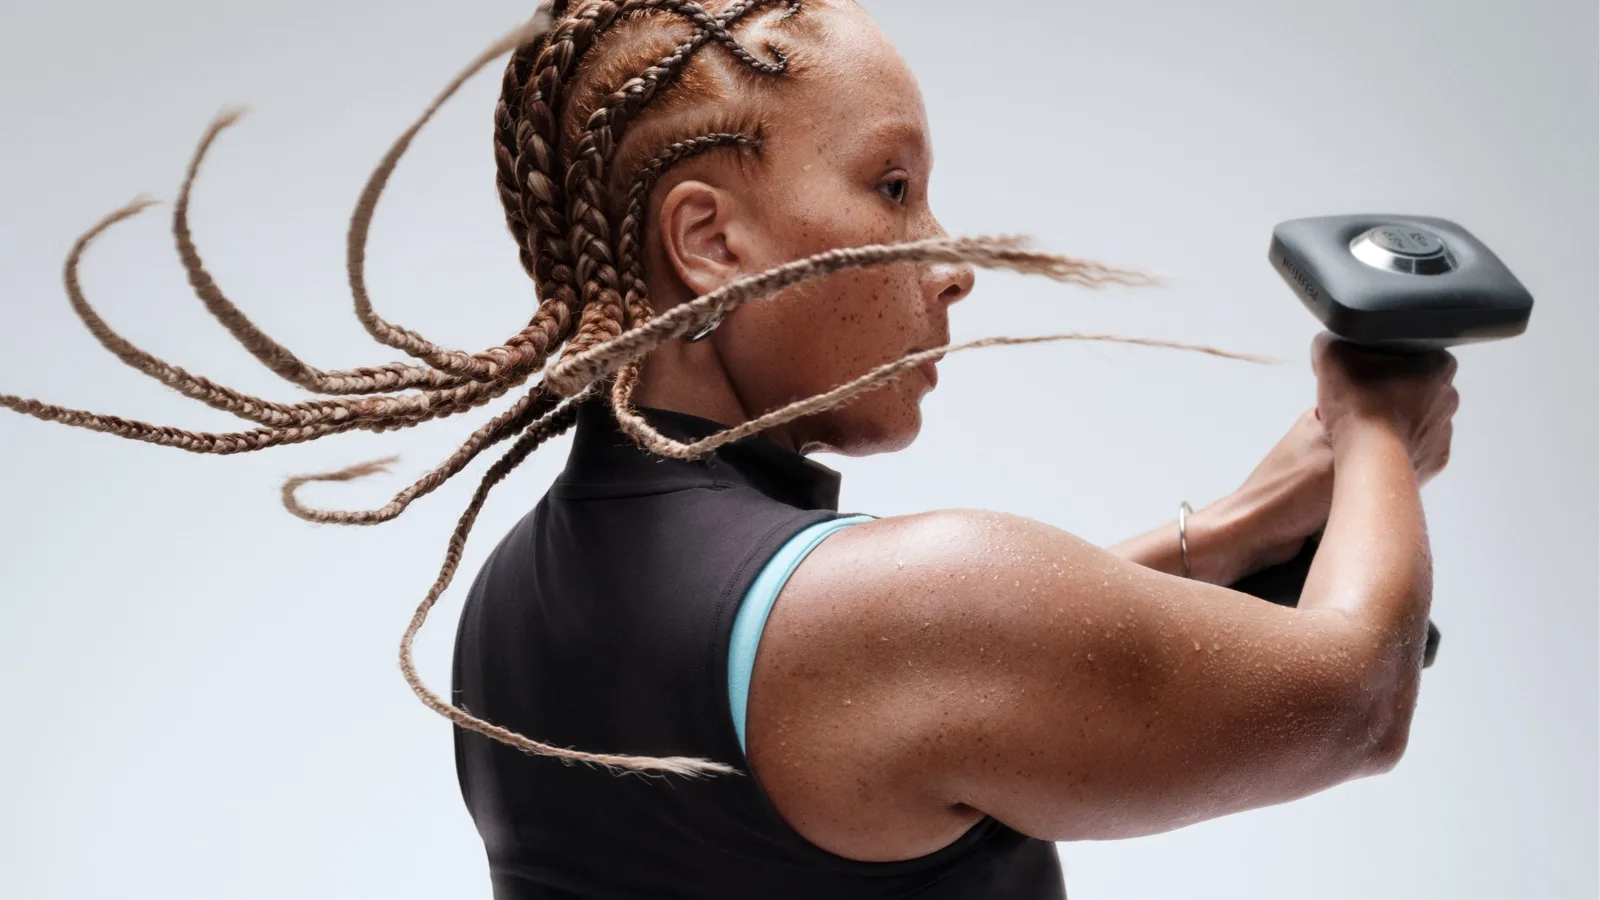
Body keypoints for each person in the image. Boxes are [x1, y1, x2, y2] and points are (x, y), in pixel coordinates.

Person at [0, 0, 1459, 897]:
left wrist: (1238, 527)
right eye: (892, 186)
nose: (945, 258)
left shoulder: (524, 589)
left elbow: (882, 691)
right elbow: (1356, 697)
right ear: (710, 239)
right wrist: (1380, 417)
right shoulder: (897, 607)